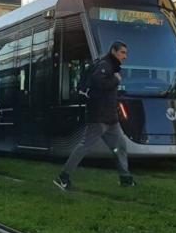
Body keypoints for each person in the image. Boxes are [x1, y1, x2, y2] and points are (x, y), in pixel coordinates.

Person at [54, 41, 135, 191]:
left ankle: (126, 178)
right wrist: (116, 80)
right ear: (114, 51)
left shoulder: (111, 66)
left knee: (120, 146)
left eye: (126, 53)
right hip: (99, 117)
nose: (125, 56)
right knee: (84, 147)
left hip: (110, 118)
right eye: (123, 53)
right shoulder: (105, 65)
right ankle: (63, 177)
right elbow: (98, 83)